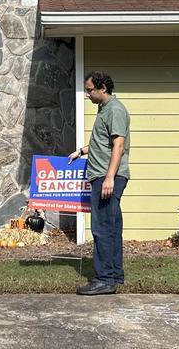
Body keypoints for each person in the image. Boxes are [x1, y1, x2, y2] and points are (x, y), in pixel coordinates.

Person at [68, 71, 130, 295]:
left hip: (107, 177)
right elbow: (103, 143)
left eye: (90, 89)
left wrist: (109, 177)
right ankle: (114, 275)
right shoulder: (106, 110)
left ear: (103, 88)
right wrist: (82, 151)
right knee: (111, 227)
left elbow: (118, 146)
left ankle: (104, 279)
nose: (87, 94)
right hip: (105, 175)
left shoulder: (115, 110)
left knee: (102, 228)